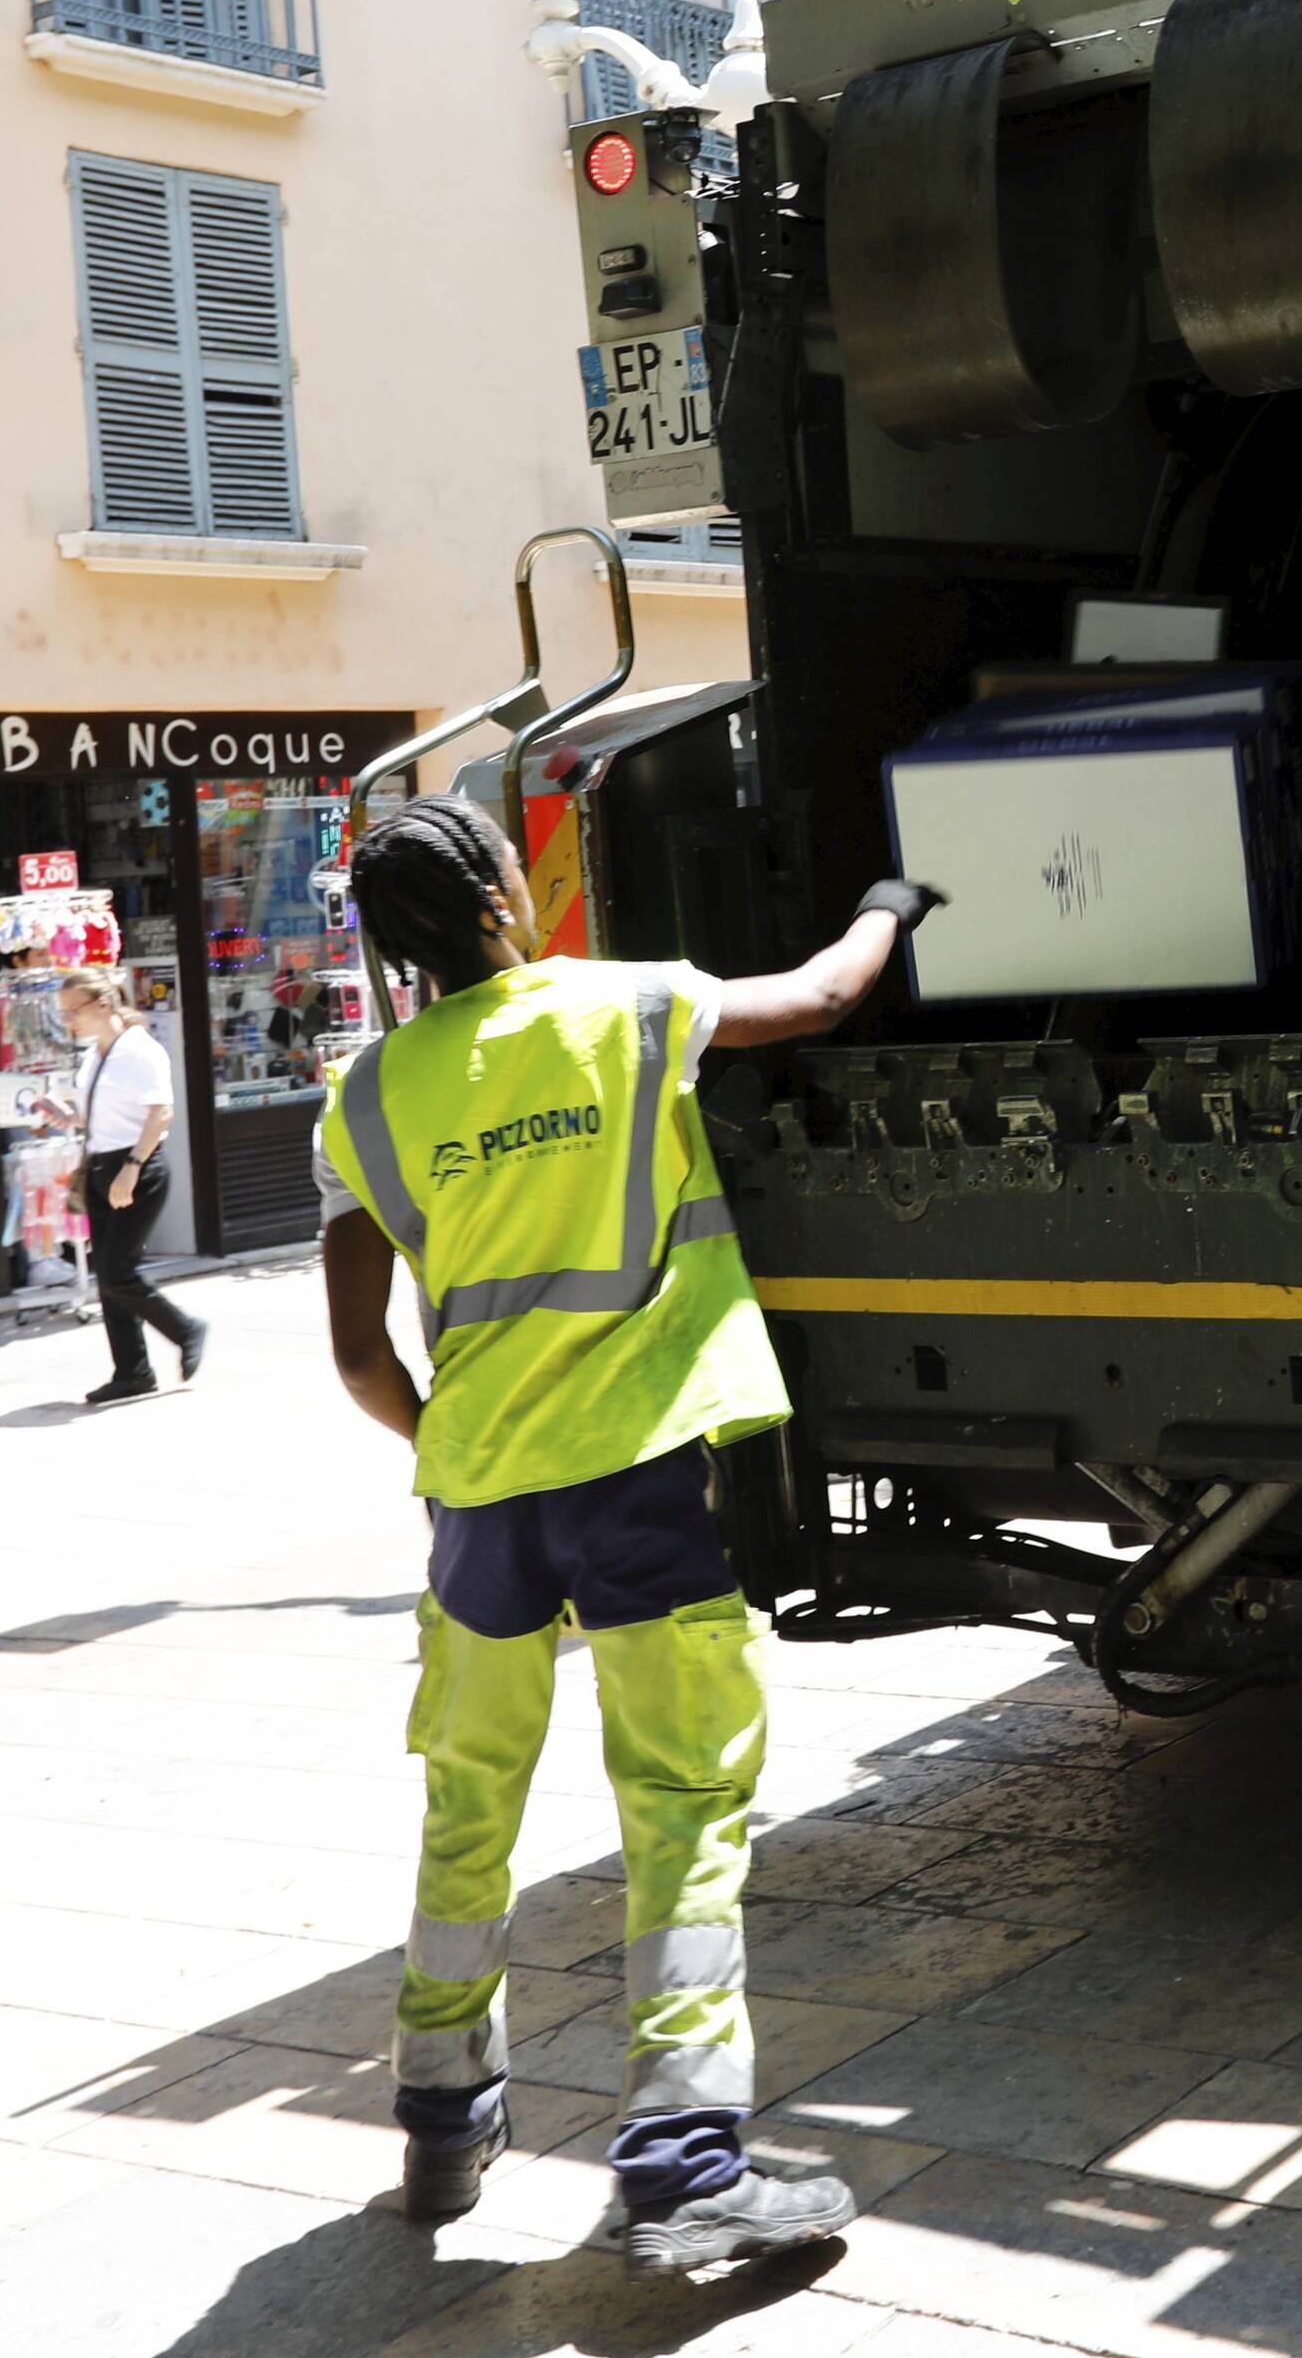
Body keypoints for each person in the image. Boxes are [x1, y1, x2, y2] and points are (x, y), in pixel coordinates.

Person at [317, 794, 935, 2261]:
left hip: (476, 1501)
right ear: (499, 903)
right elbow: (826, 996)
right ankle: (680, 2163)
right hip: (638, 1484)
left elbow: (356, 1359)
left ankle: (441, 2112)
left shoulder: (364, 1096)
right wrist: (896, 901)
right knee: (683, 1806)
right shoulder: (626, 1006)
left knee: (470, 1805)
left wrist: (467, 1447)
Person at [60, 967, 206, 1404]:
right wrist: (65, 1114)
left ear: (103, 1004)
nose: (69, 1020)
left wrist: (132, 1166)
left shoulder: (141, 1051)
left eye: (74, 1011)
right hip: (104, 1166)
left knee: (117, 1270)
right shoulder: (95, 1057)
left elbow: (160, 1114)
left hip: (137, 1167)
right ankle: (132, 1372)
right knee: (108, 1275)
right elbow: (96, 1118)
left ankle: (186, 1329)